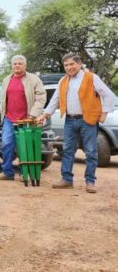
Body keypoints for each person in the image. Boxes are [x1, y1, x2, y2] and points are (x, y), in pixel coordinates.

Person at [37, 53, 115, 193]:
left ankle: (90, 182)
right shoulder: (63, 81)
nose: (69, 67)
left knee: (90, 151)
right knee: (67, 150)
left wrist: (104, 113)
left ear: (79, 64)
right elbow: (55, 99)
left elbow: (108, 95)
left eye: (72, 64)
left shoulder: (91, 77)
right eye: (66, 65)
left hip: (88, 120)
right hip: (70, 120)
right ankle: (66, 179)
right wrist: (44, 114)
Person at [0, 55, 46, 180]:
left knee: (25, 146)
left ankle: (25, 172)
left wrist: (33, 114)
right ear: (11, 66)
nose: (17, 65)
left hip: (27, 118)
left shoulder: (34, 79)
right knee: (6, 144)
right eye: (15, 63)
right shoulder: (6, 79)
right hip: (9, 119)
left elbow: (41, 97)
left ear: (25, 66)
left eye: (20, 63)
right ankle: (7, 172)